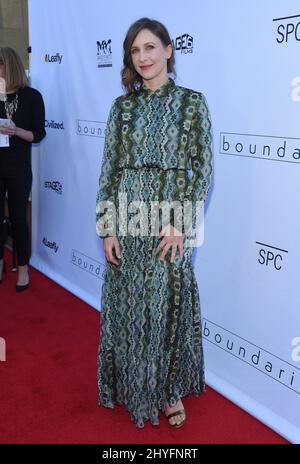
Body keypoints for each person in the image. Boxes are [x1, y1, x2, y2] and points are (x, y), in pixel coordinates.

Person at [95, 17, 213, 429]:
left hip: (171, 219)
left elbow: (203, 170)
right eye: (135, 50)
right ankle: (133, 383)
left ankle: (168, 390)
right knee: (130, 303)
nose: (143, 57)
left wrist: (180, 221)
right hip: (128, 213)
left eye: (150, 47)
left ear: (168, 50)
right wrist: (108, 227)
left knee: (168, 305)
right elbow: (109, 168)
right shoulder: (121, 107)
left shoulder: (192, 103)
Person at [0, 47, 46, 291]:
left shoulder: (31, 97)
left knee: (18, 218)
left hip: (18, 167)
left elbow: (38, 134)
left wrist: (16, 130)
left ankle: (24, 268)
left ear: (10, 67)